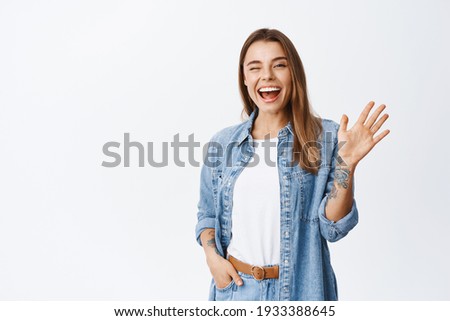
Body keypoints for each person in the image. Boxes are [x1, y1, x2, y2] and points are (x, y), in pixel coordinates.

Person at [195, 28, 390, 301]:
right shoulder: (223, 143)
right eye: (255, 67)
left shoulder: (327, 138)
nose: (267, 76)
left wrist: (346, 165)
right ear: (245, 77)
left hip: (301, 292)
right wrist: (212, 258)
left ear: (293, 73)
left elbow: (333, 227)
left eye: (279, 65)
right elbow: (207, 215)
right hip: (237, 291)